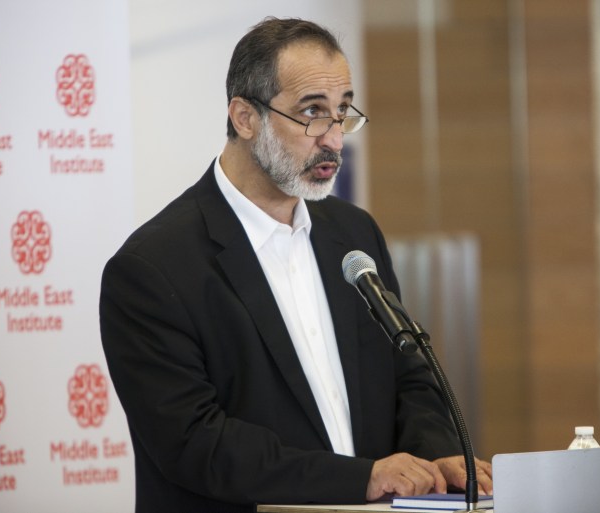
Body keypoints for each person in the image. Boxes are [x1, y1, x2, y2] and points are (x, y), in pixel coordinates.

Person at [99, 17, 493, 513]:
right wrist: (359, 479)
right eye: (312, 113)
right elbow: (196, 444)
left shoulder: (353, 235)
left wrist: (438, 457)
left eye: (343, 111)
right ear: (245, 118)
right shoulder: (152, 269)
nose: (333, 139)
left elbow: (410, 375)